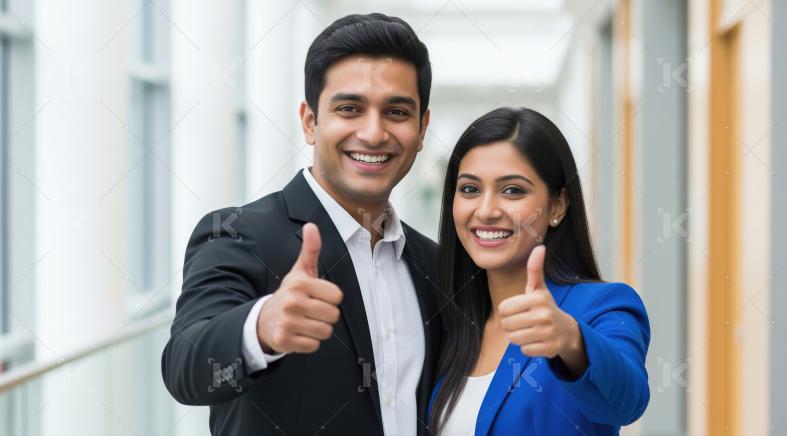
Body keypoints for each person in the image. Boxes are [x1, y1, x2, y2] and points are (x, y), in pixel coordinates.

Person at [161, 13, 442, 435]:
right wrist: (262, 327)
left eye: (396, 112)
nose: (373, 132)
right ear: (310, 122)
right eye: (350, 108)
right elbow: (186, 365)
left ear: (421, 129)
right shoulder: (237, 234)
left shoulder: (433, 264)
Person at [427, 107, 650, 435]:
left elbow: (628, 400)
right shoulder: (452, 319)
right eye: (470, 189)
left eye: (512, 190)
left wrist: (570, 339)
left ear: (557, 205)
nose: (486, 210)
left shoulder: (602, 306)